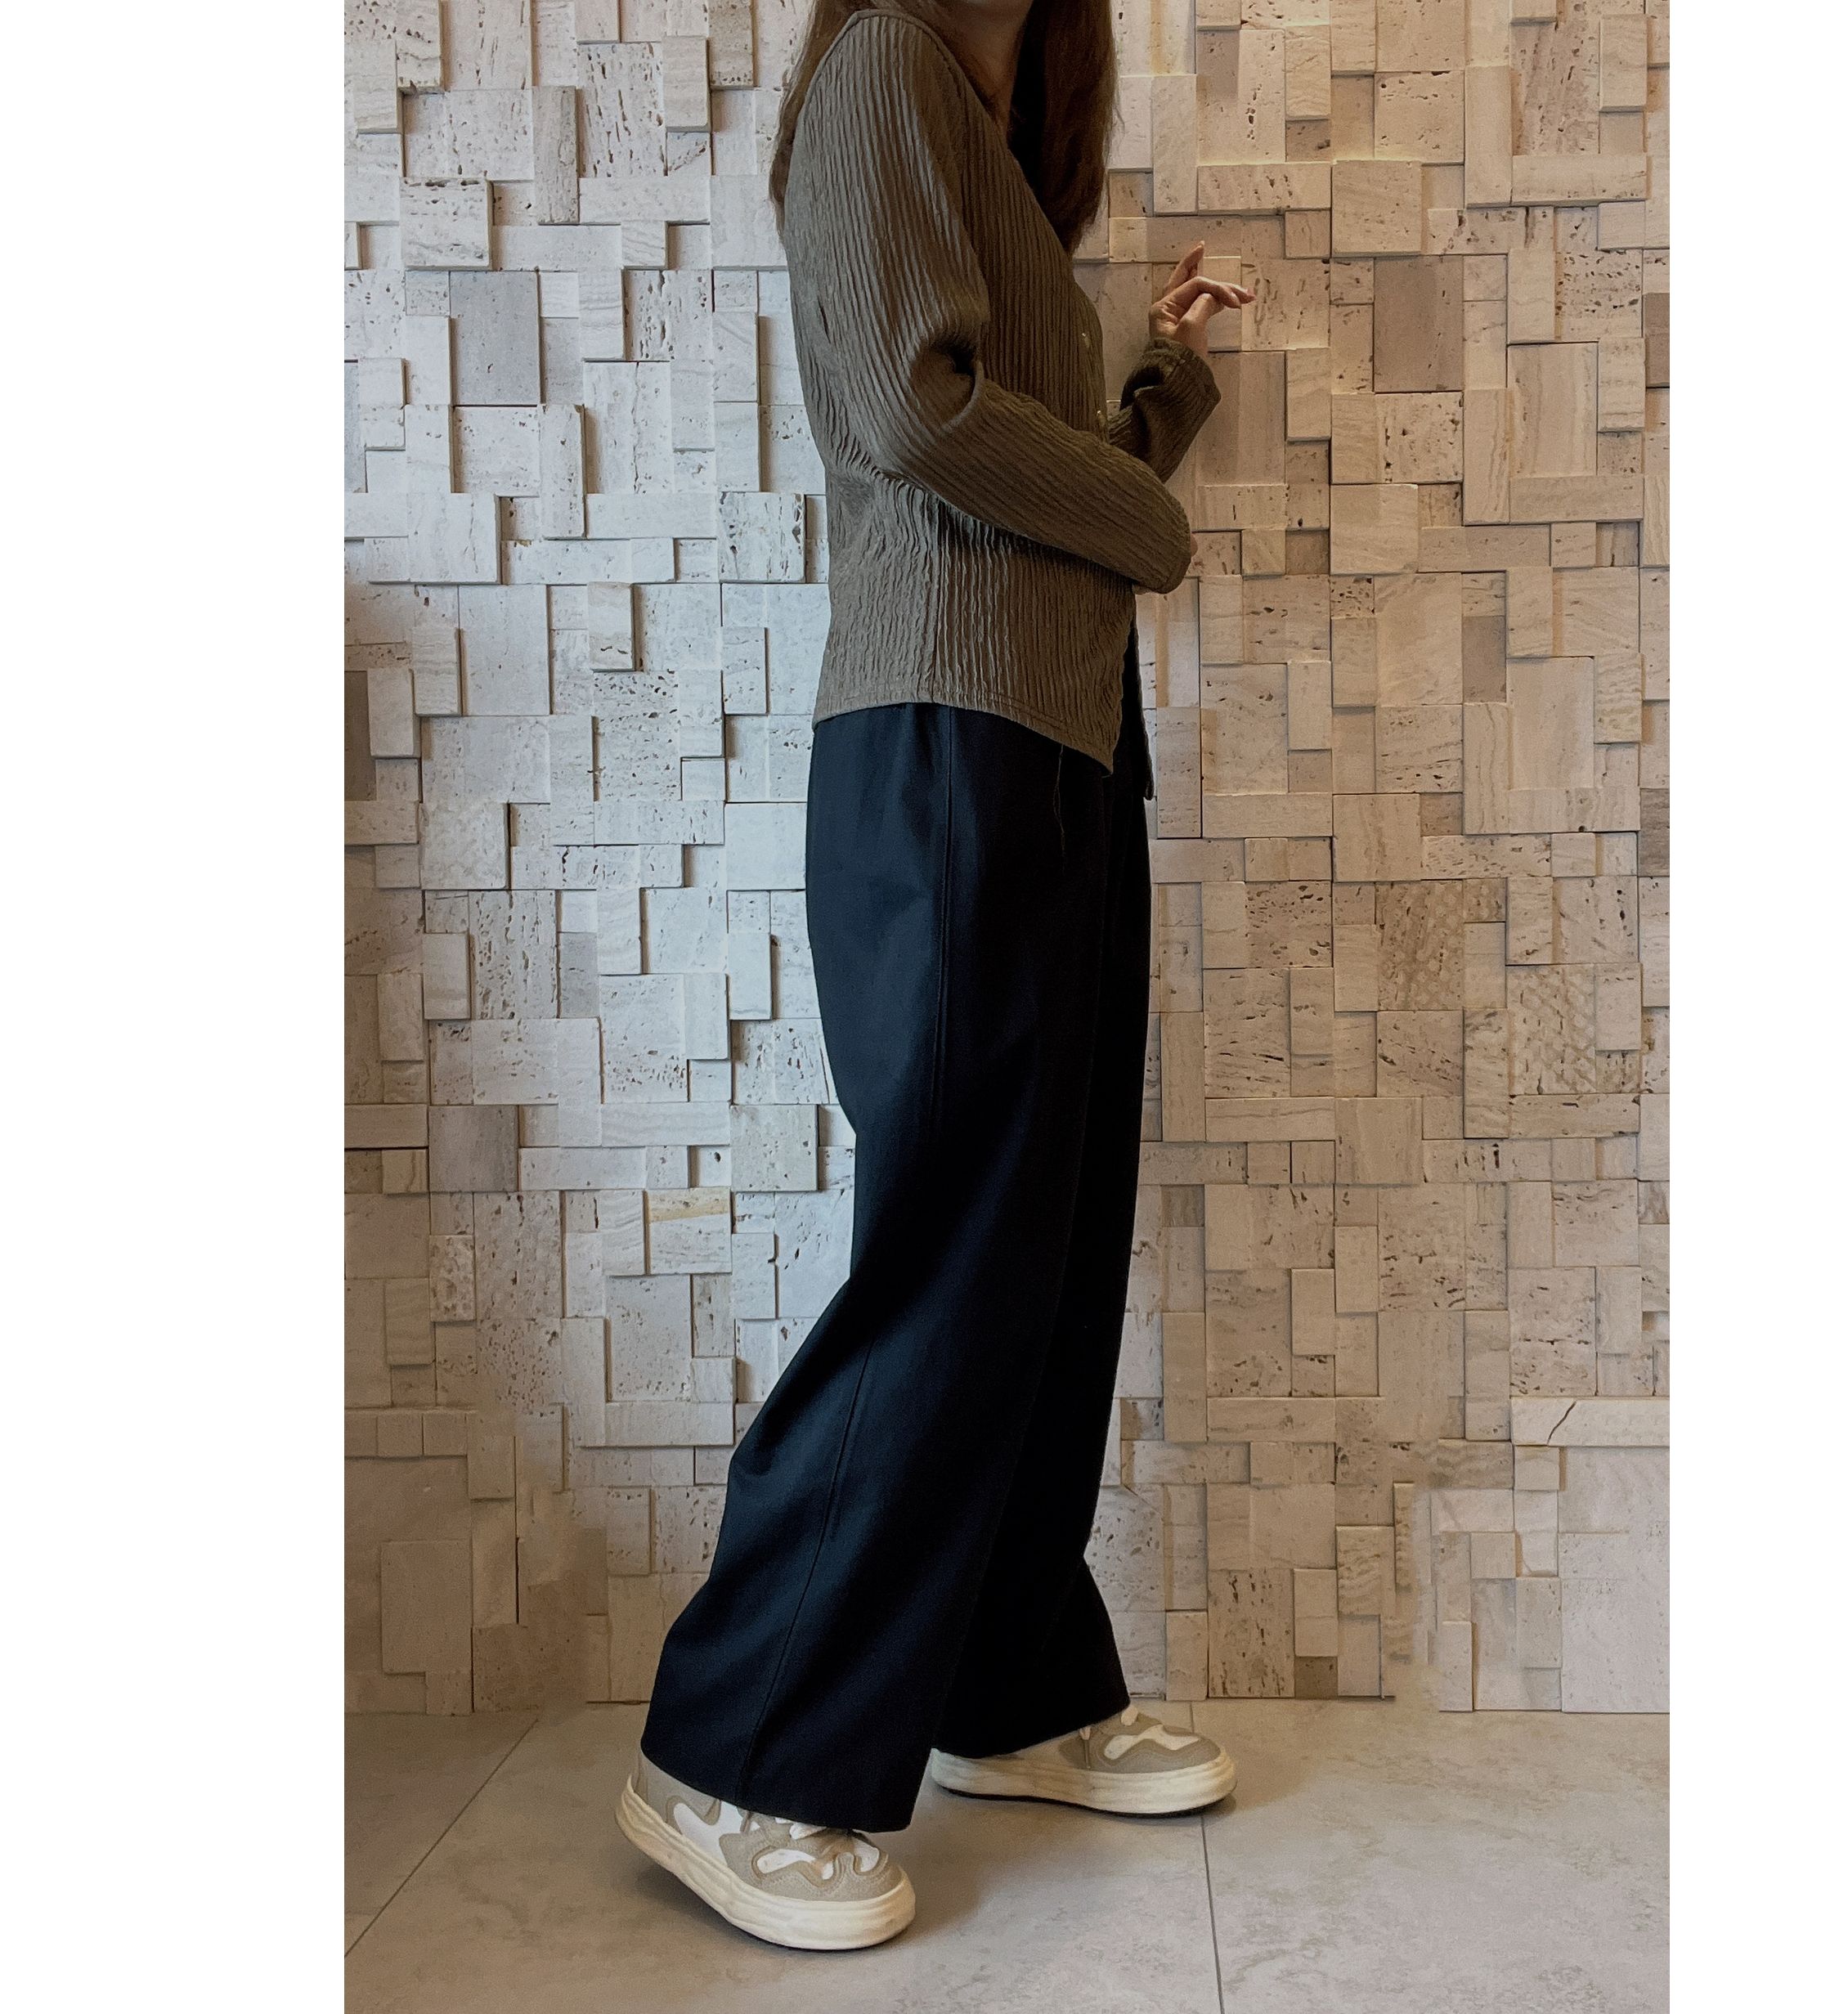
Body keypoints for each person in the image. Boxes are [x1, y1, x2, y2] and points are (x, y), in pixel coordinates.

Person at [615, 0, 1252, 1950]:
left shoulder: (993, 171)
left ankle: (1008, 1681)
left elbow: (1044, 472)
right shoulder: (883, 63)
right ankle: (729, 1752)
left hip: (1056, 749)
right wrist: (1147, 511)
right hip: (944, 743)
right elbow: (914, 409)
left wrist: (1159, 382)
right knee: (955, 1255)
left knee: (1044, 1264)